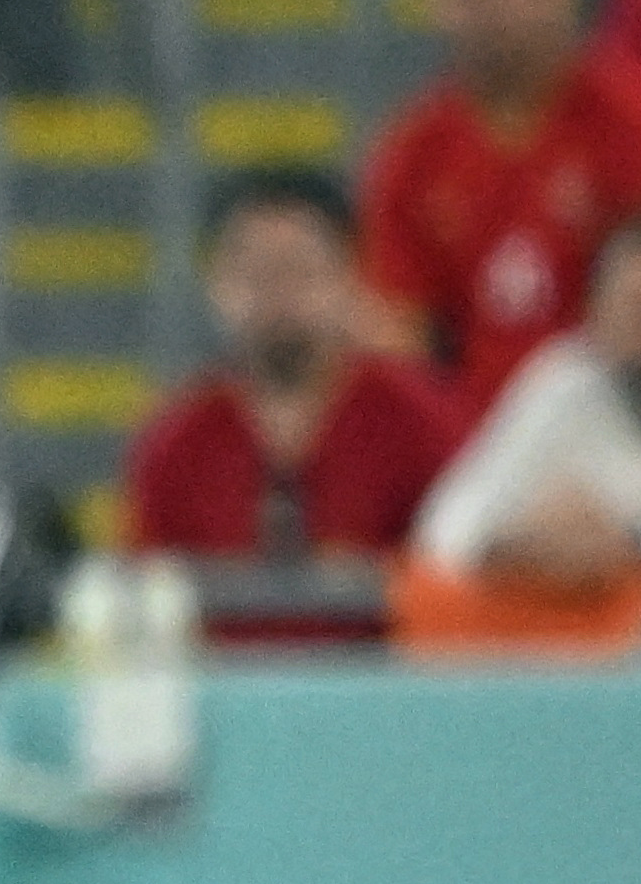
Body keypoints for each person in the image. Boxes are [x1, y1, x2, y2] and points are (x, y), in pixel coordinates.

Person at [358, 0, 641, 420]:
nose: (491, 9)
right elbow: (397, 328)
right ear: (437, 4)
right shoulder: (412, 154)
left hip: (634, 416)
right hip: (468, 429)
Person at [115, 166, 456, 592]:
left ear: (349, 279)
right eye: (254, 273)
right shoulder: (173, 443)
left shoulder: (424, 422)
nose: (277, 295)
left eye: (299, 270)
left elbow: (463, 578)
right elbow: (144, 599)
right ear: (215, 286)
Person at [408, 206, 641, 612]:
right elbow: (446, 533)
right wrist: (516, 543)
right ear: (596, 318)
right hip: (600, 658)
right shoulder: (563, 386)